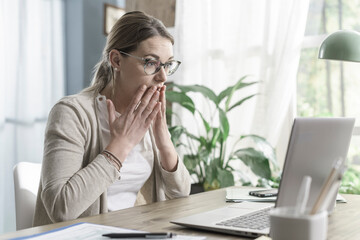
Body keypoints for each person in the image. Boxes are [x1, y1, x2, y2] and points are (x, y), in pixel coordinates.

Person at [33, 11, 191, 226]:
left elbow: (181, 194)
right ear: (116, 60)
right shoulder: (72, 113)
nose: (163, 77)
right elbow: (61, 209)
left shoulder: (146, 116)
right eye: (151, 63)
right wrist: (120, 146)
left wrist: (163, 141)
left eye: (167, 65)